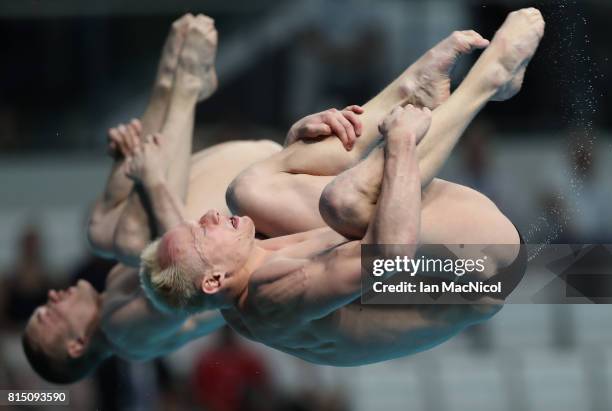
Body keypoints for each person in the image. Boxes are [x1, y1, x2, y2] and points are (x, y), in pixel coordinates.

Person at [140, 8, 543, 366]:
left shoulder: (243, 271)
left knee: (249, 189)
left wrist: (297, 145)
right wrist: (400, 143)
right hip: (482, 271)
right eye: (200, 234)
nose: (207, 217)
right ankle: (489, 79)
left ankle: (410, 90)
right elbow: (391, 261)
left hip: (437, 260)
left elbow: (312, 226)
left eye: (195, 222)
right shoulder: (270, 293)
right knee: (344, 201)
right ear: (213, 280)